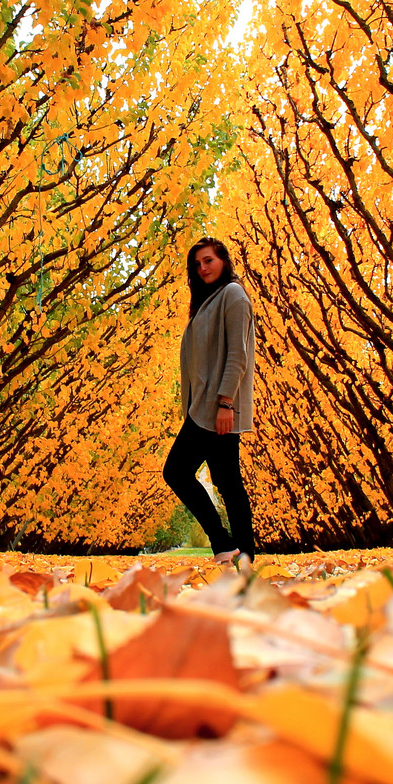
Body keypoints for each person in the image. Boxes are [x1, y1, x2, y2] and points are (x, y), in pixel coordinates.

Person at [163, 237, 257, 565]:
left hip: (216, 407)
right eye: (197, 264)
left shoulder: (233, 294)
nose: (202, 268)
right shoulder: (211, 299)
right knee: (228, 481)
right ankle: (241, 553)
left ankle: (224, 543)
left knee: (176, 471)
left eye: (208, 260)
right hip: (206, 406)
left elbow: (238, 354)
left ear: (223, 260)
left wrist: (226, 403)